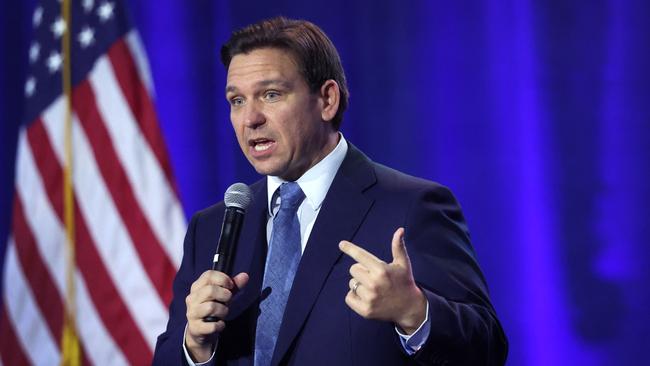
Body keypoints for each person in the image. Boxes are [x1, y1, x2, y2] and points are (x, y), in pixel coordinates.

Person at [153, 17, 508, 366]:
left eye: (271, 94)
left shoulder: (409, 207)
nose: (250, 119)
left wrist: (415, 312)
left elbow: (487, 350)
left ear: (327, 100)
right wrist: (195, 347)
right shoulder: (211, 226)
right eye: (237, 101)